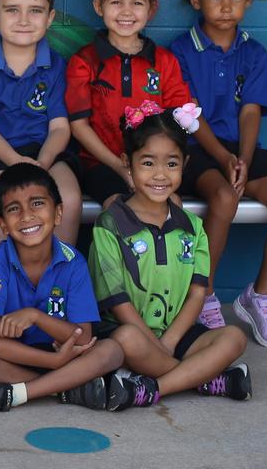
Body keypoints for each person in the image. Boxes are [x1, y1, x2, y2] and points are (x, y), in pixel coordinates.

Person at [90, 104, 250, 409]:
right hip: (129, 334)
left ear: (185, 165)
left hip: (176, 334)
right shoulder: (110, 225)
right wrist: (156, 346)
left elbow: (197, 293)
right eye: (148, 163)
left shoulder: (192, 227)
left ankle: (153, 387)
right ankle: (203, 379)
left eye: (172, 164)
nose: (160, 175)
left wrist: (170, 342)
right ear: (128, 164)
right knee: (125, 340)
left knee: (234, 338)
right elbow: (119, 305)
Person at [169, 0, 267, 340]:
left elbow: (251, 111)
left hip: (240, 153)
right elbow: (188, 115)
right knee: (224, 197)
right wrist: (224, 158)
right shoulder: (179, 52)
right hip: (198, 152)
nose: (226, 6)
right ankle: (206, 294)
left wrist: (243, 159)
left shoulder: (253, 52)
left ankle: (261, 296)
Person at [0, 163, 122, 414]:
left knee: (112, 351)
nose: (26, 216)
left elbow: (84, 337)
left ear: (58, 213)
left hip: (64, 352)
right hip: (16, 358)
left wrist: (35, 317)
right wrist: (53, 362)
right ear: (2, 224)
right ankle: (67, 388)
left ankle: (17, 393)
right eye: (14, 209)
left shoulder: (72, 261)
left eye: (37, 203)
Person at [0, 0, 82, 251]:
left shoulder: (55, 66)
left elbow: (59, 128)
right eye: (12, 9)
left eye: (35, 10)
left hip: (44, 151)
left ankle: (57, 283)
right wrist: (16, 162)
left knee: (68, 198)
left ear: (50, 17)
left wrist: (42, 163)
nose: (24, 20)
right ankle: (0, 286)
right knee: (3, 199)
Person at [66, 0, 191, 208]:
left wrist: (150, 167)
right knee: (120, 208)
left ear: (151, 9)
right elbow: (79, 127)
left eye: (136, 3)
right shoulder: (83, 62)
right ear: (99, 6)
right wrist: (121, 167)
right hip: (101, 164)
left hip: (154, 165)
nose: (126, 12)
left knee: (173, 207)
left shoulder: (165, 62)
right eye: (116, 2)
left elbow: (177, 122)